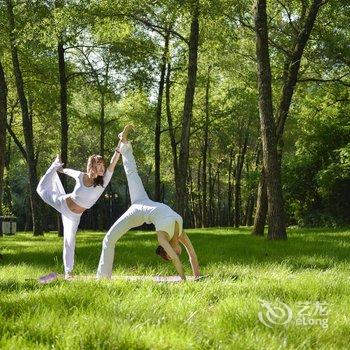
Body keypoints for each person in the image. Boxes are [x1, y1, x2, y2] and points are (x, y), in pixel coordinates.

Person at [97, 126, 200, 281]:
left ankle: (102, 278)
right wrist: (191, 279)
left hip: (138, 212)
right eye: (173, 256)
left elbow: (185, 258)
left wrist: (192, 279)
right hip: (143, 202)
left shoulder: (162, 238)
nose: (175, 255)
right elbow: (189, 257)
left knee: (109, 239)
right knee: (132, 173)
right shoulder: (179, 233)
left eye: (170, 256)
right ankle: (125, 144)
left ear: (166, 250)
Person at [36, 131, 125, 280]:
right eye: (99, 165)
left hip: (74, 216)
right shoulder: (80, 175)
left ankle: (68, 273)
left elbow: (113, 162)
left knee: (69, 240)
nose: (102, 167)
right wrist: (58, 167)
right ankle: (53, 164)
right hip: (62, 202)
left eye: (103, 165)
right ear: (92, 166)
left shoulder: (104, 181)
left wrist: (120, 145)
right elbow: (66, 171)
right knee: (40, 189)